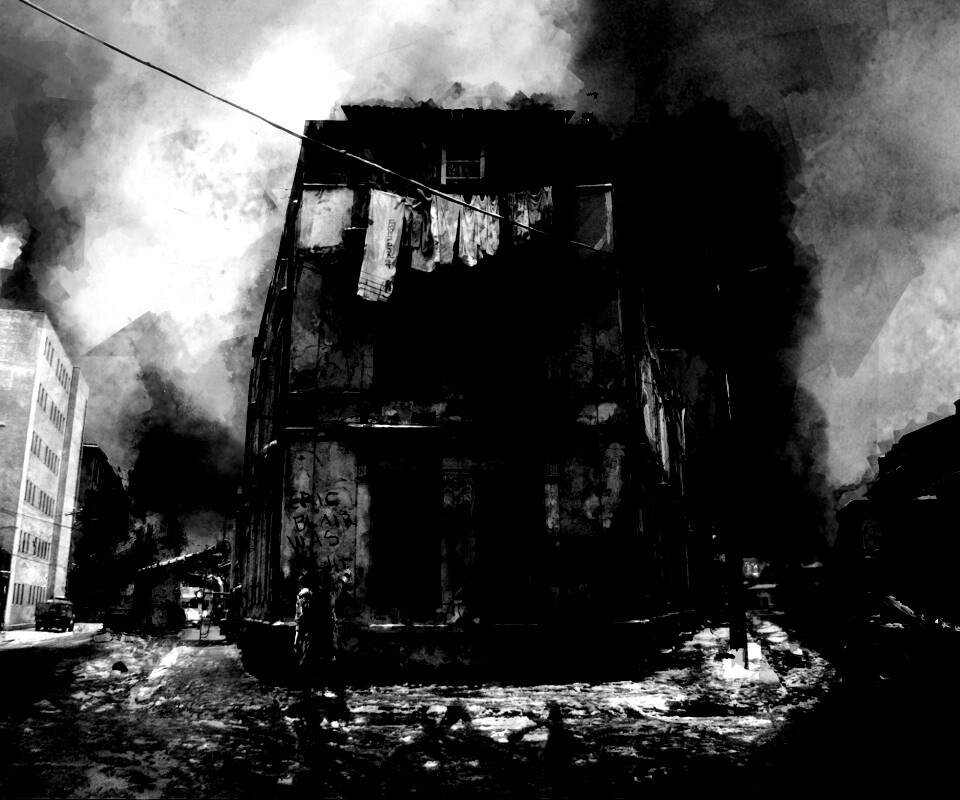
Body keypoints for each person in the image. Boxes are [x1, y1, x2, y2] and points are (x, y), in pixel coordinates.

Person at [293, 565, 352, 709]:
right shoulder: (327, 593)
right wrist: (346, 574)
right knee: (327, 663)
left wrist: (297, 639)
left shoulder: (305, 597)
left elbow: (300, 619)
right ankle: (336, 696)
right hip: (324, 634)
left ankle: (311, 695)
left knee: (311, 664)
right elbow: (340, 585)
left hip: (315, 635)